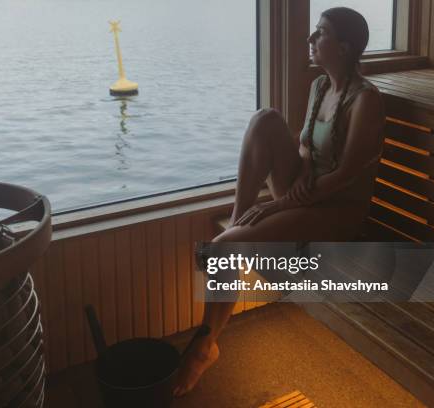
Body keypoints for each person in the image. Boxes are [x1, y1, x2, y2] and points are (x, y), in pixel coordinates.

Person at [174, 7, 385, 397]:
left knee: (223, 248)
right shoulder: (319, 87)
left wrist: (277, 205)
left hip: (338, 213)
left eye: (319, 33)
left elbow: (345, 176)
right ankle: (239, 222)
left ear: (343, 47)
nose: (310, 39)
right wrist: (289, 194)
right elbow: (306, 153)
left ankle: (205, 345)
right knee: (265, 119)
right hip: (308, 195)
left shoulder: (365, 101)